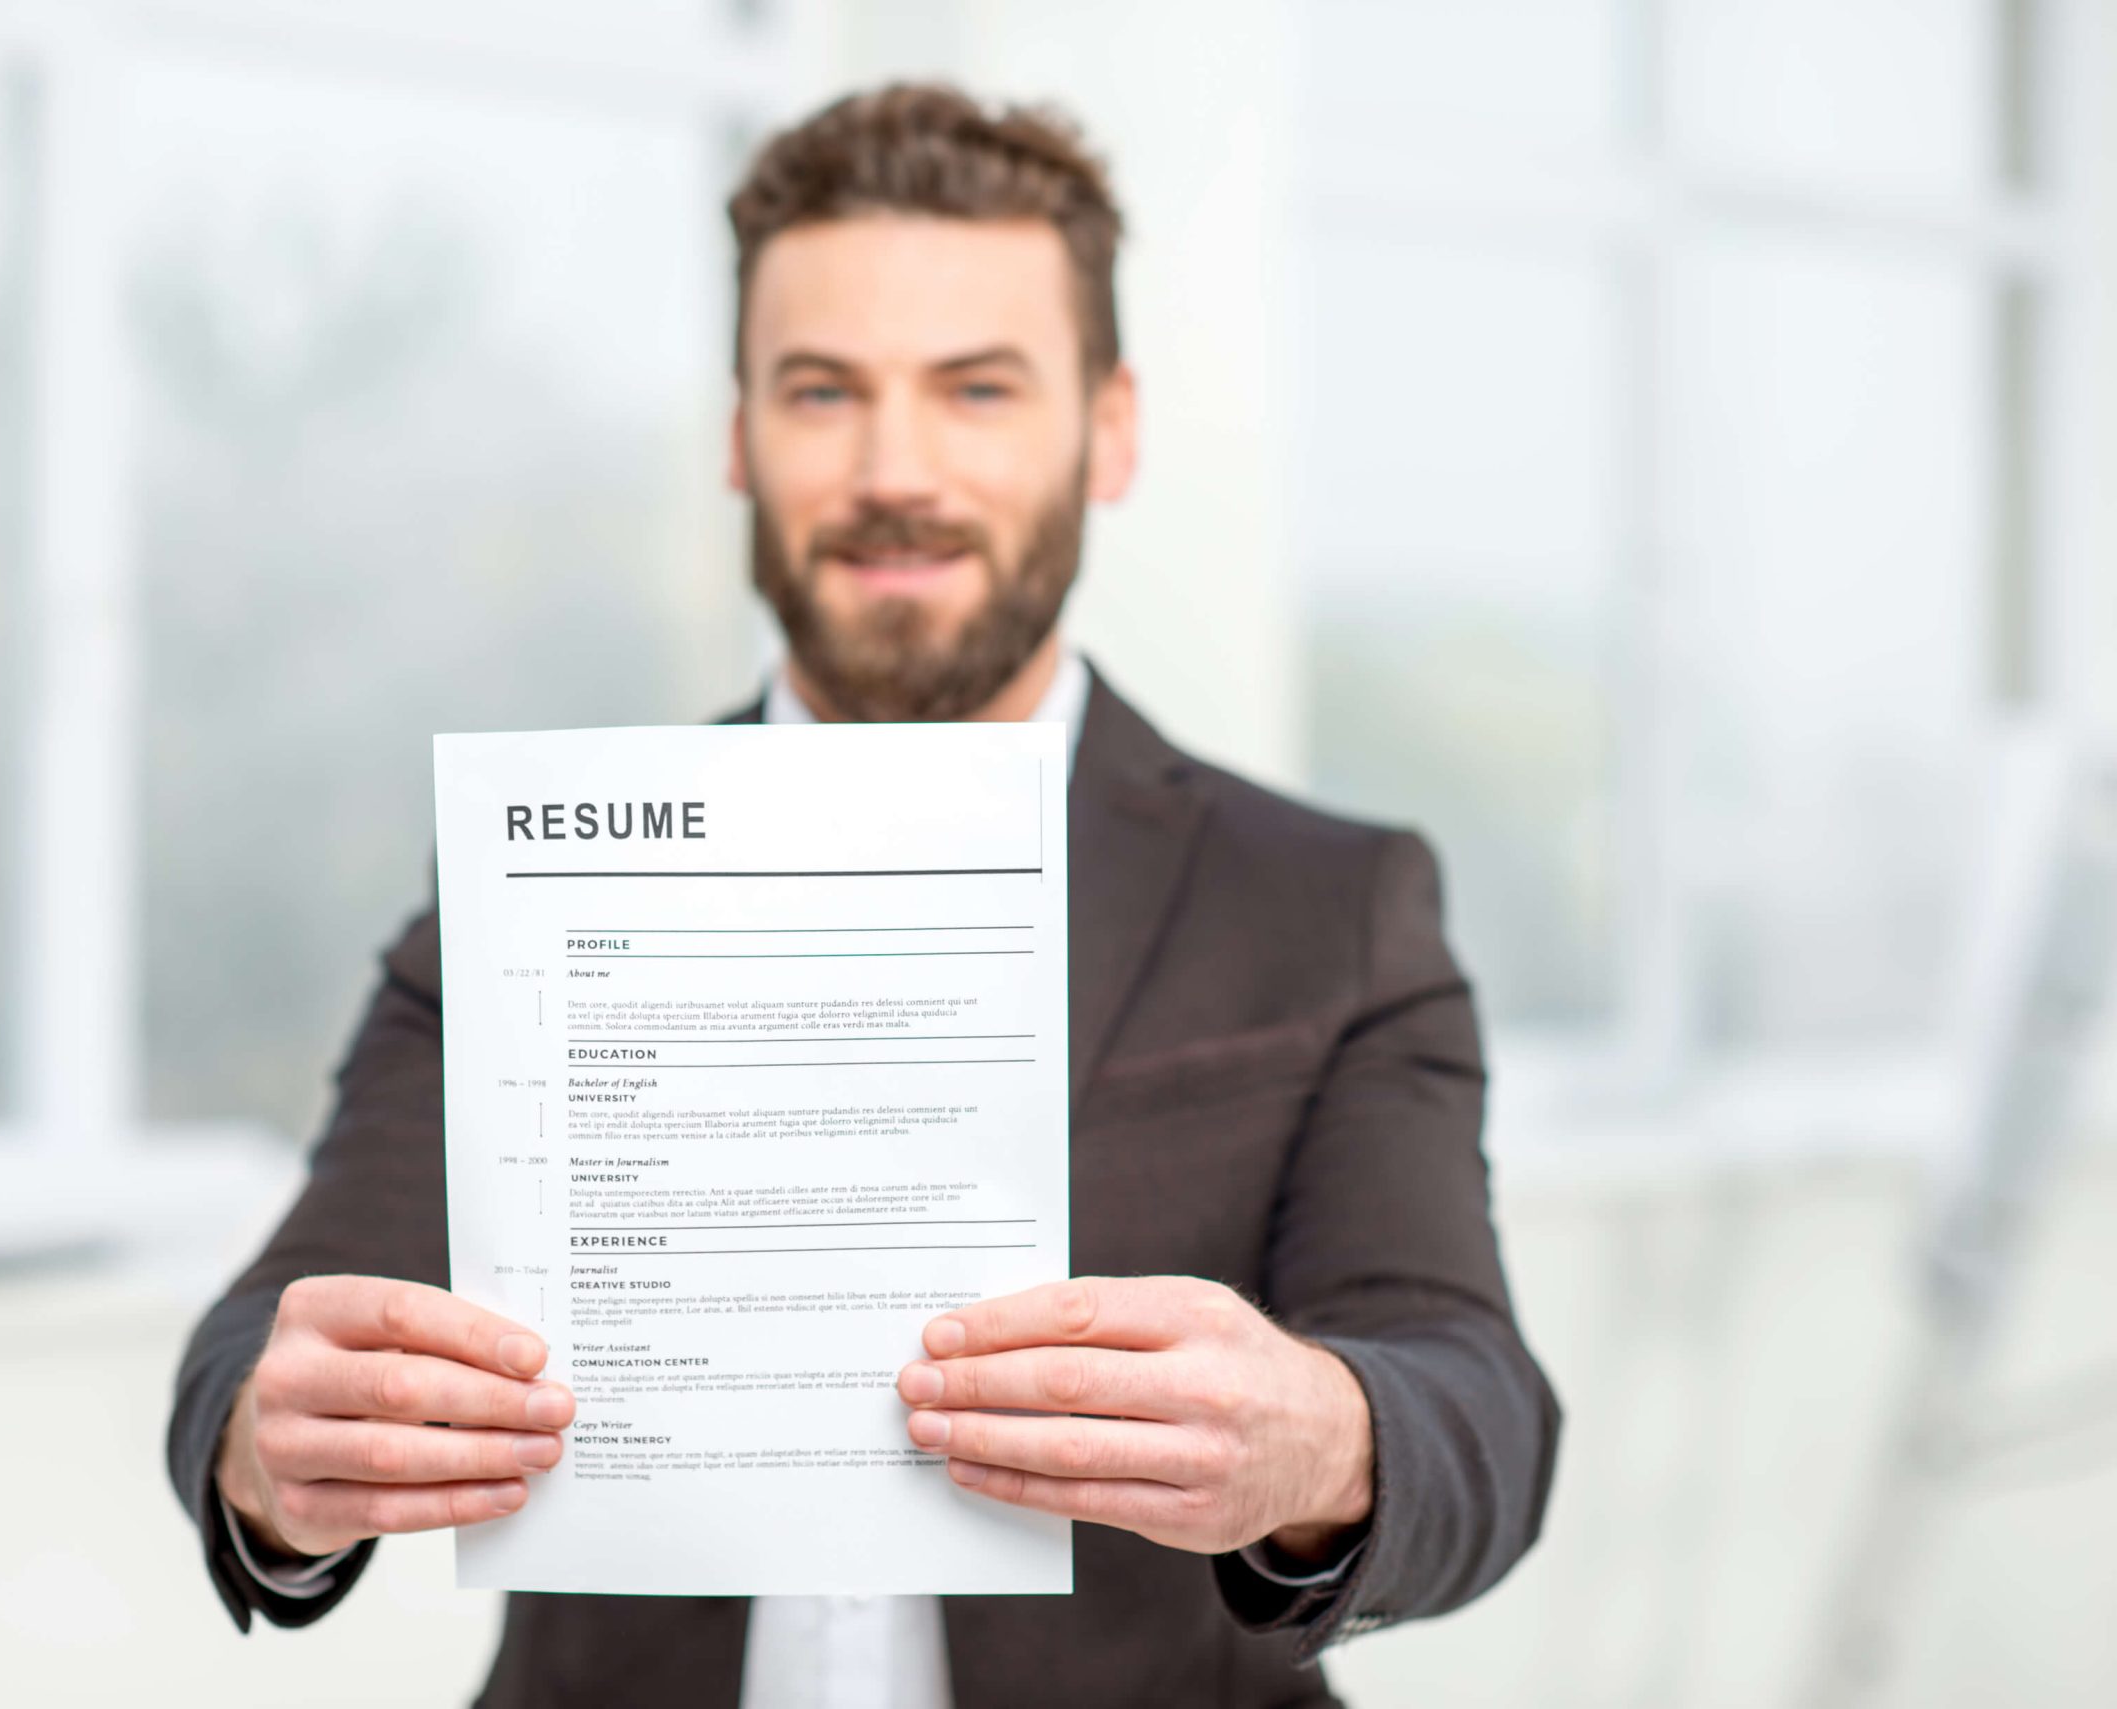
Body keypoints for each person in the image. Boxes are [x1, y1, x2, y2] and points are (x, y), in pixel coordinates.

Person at [166, 82, 1559, 1709]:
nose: (896, 469)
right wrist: (275, 1439)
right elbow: (258, 1337)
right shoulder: (535, 878)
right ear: (741, 434)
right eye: (824, 391)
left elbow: (1481, 1404)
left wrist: (1324, 1434)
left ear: (1109, 429)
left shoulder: (1329, 907)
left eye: (977, 388)